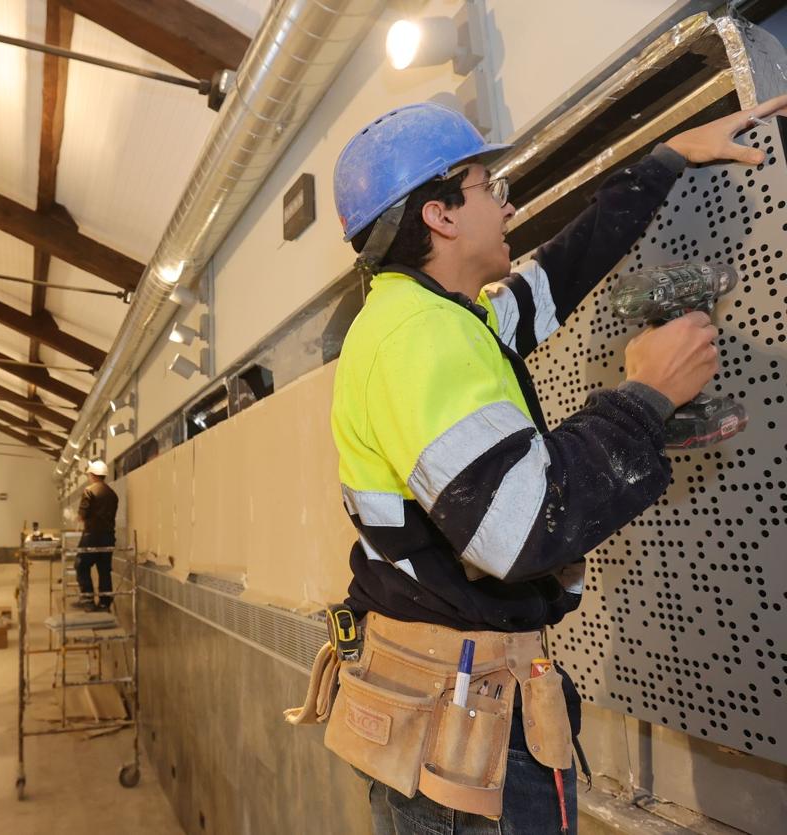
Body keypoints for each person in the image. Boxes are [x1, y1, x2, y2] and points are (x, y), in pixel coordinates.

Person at [326, 97, 787, 834]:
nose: (508, 207)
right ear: (440, 215)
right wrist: (644, 398)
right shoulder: (417, 339)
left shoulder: (439, 317)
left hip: (452, 705)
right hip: (467, 737)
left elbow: (551, 282)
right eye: (489, 188)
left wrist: (666, 160)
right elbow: (520, 531)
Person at [76, 460, 118, 612]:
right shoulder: (113, 494)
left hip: (91, 536)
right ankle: (105, 603)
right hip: (108, 537)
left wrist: (79, 518)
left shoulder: (89, 490)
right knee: (104, 569)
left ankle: (88, 600)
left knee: (81, 565)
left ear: (93, 475)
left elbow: (82, 515)